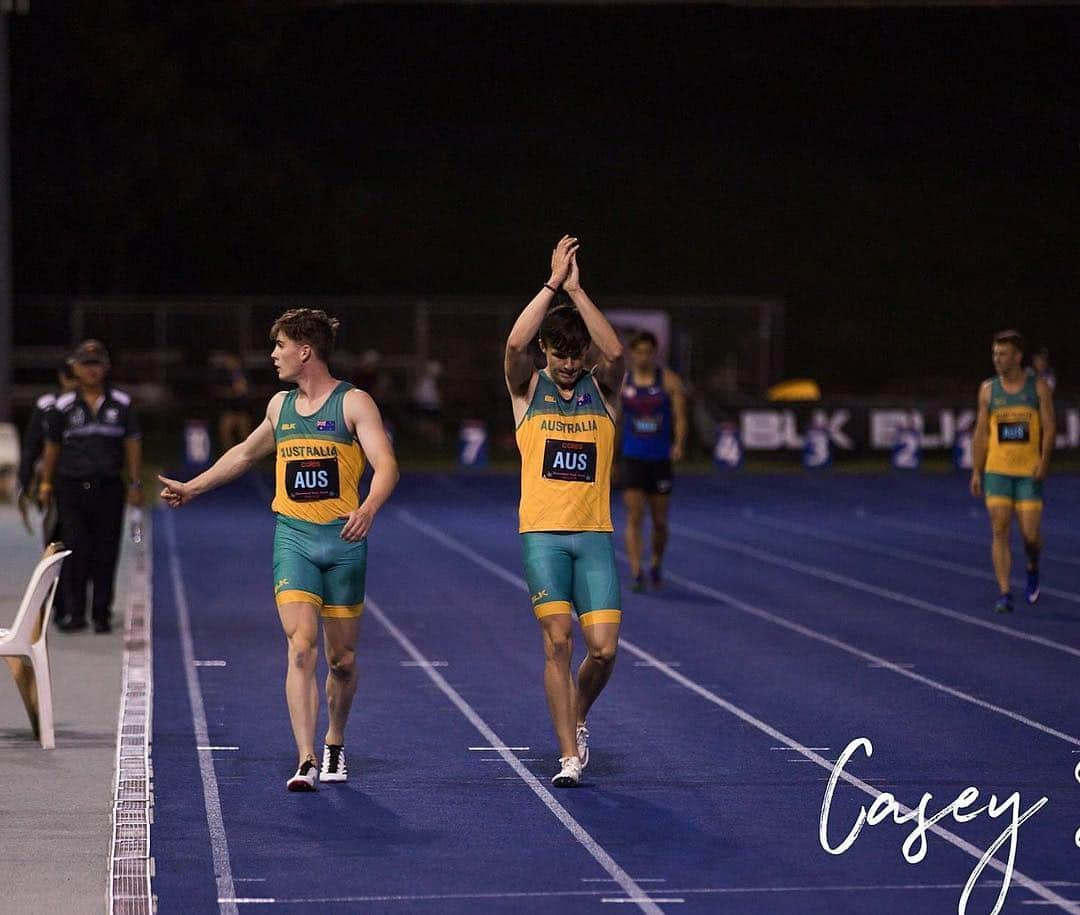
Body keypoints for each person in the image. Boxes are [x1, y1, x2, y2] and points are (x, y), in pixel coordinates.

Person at [158, 308, 398, 791]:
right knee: (301, 648)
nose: (273, 355)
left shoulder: (353, 404)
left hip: (344, 541)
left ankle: (334, 742)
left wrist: (369, 507)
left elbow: (386, 464)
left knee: (342, 660)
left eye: (280, 346)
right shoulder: (278, 407)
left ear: (304, 351)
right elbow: (244, 454)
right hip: (294, 540)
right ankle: (306, 758)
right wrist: (193, 488)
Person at [504, 236, 625, 788]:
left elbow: (618, 354)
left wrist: (577, 290)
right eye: (560, 354)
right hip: (543, 536)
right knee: (557, 640)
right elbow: (513, 343)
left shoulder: (603, 390)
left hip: (593, 534)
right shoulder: (528, 390)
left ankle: (578, 713)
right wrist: (552, 284)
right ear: (547, 353)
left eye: (577, 355)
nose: (570, 364)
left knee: (602, 651)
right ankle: (567, 756)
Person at [38, 341, 144, 633]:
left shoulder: (121, 404)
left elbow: (132, 443)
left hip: (108, 486)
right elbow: (52, 447)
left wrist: (135, 483)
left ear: (106, 367)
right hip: (70, 487)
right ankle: (74, 611)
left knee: (106, 551)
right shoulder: (62, 406)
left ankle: (101, 613)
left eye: (97, 363)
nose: (92, 370)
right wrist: (46, 483)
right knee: (75, 549)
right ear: (75, 368)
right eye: (86, 364)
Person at [970, 330, 1054, 613]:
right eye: (995, 354)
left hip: (1029, 473)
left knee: (1030, 536)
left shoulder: (1037, 388)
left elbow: (1050, 427)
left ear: (1017, 356)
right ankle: (1005, 592)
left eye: (1003, 354)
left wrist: (1044, 461)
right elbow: (981, 433)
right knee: (999, 529)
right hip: (998, 471)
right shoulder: (988, 390)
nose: (997, 359)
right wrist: (976, 471)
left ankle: (1032, 565)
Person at [619, 329, 688, 592]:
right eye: (638, 352)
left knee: (659, 521)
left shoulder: (669, 381)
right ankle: (637, 570)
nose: (643, 356)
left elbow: (680, 417)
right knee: (635, 515)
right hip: (632, 456)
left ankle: (656, 562)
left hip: (659, 459)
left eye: (648, 352)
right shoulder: (624, 383)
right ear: (631, 354)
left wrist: (679, 444)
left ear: (654, 353)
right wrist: (611, 456)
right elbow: (616, 420)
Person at [17, 360, 78, 546]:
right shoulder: (47, 405)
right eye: (71, 378)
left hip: (85, 476)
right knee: (55, 532)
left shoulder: (92, 405)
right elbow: (31, 445)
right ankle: (54, 571)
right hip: (54, 480)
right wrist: (24, 481)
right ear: (62, 377)